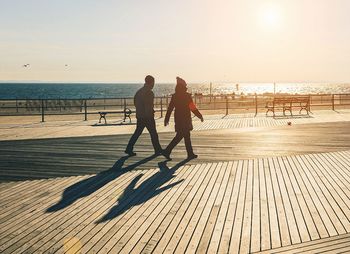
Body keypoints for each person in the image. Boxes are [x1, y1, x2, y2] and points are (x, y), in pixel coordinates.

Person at [162, 77, 204, 160]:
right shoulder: (187, 96)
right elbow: (192, 108)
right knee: (182, 136)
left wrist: (166, 119)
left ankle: (189, 153)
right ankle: (167, 151)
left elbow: (170, 108)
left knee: (184, 135)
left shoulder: (175, 96)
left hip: (178, 119)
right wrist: (200, 116)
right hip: (185, 119)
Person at [125, 75, 162, 156]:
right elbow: (148, 105)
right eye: (153, 82)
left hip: (140, 116)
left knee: (137, 133)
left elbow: (135, 102)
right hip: (147, 117)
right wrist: (149, 115)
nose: (154, 84)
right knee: (153, 134)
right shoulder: (149, 92)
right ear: (151, 82)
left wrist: (140, 111)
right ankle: (158, 149)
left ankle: (129, 148)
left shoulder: (139, 91)